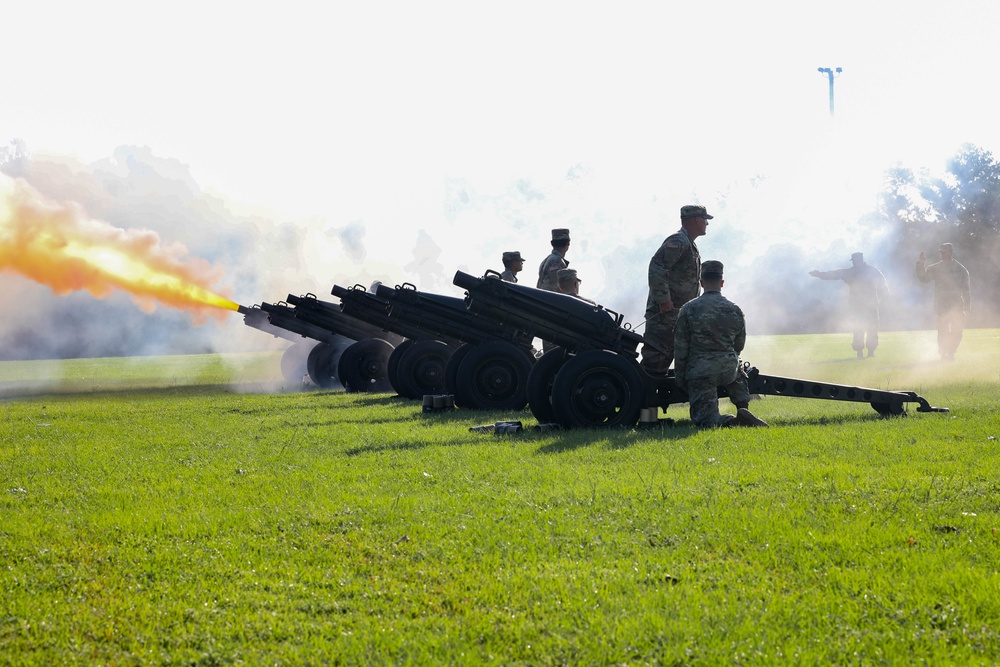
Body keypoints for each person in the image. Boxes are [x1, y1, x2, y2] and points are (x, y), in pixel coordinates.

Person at [674, 261, 768, 428]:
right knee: (737, 368)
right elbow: (739, 345)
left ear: (701, 282)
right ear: (722, 283)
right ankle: (743, 408)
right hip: (729, 369)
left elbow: (681, 348)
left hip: (702, 372)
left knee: (706, 422)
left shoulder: (688, 309)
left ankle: (735, 421)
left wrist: (681, 379)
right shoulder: (734, 309)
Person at [640, 205, 711, 375]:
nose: (707, 224)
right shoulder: (679, 241)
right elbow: (657, 268)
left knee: (665, 359)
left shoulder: (688, 243)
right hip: (665, 315)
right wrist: (663, 299)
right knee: (655, 360)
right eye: (705, 220)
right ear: (696, 220)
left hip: (676, 314)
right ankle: (642, 398)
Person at [809, 252, 890, 358]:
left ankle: (870, 352)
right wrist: (820, 274)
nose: (855, 263)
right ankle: (860, 352)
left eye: (856, 261)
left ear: (859, 260)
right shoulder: (854, 271)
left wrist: (886, 296)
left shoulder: (869, 271)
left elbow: (882, 283)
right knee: (858, 329)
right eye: (854, 261)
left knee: (872, 328)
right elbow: (833, 275)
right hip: (858, 305)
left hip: (869, 305)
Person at [915, 242, 971, 361]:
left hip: (957, 306)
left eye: (945, 252)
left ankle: (951, 351)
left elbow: (966, 288)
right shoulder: (935, 268)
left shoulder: (961, 269)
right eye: (941, 253)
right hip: (941, 305)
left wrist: (967, 305)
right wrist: (921, 264)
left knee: (957, 331)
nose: (943, 255)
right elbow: (924, 278)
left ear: (951, 252)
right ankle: (944, 353)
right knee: (943, 331)